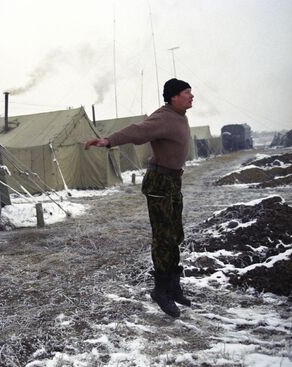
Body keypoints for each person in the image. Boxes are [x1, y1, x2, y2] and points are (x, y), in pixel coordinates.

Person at [84, 78, 194, 317]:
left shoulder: (180, 116)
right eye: (187, 93)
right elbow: (138, 131)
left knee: (175, 234)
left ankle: (174, 286)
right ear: (174, 96)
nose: (191, 96)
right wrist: (108, 141)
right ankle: (161, 291)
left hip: (174, 181)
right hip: (160, 182)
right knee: (163, 236)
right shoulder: (163, 117)